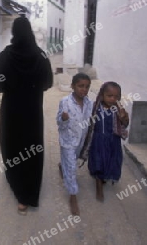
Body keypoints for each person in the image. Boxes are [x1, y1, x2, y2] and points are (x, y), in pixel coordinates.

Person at [0, 16, 53, 215]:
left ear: (14, 33)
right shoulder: (41, 56)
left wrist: (12, 85)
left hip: (12, 113)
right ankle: (30, 194)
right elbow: (47, 83)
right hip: (32, 113)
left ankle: (20, 193)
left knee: (13, 148)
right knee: (32, 150)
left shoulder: (5, 56)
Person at [80, 82, 129, 202]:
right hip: (98, 141)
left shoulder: (118, 109)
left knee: (111, 161)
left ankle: (103, 178)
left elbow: (125, 124)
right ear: (102, 95)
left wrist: (123, 118)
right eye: (109, 95)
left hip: (113, 141)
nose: (113, 99)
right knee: (98, 162)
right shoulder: (95, 107)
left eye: (116, 97)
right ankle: (98, 186)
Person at [56, 73, 92, 216]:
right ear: (73, 86)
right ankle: (73, 196)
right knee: (71, 168)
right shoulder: (65, 102)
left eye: (87, 87)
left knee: (73, 161)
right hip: (68, 141)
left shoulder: (89, 103)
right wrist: (63, 119)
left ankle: (61, 165)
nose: (83, 89)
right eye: (80, 86)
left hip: (81, 141)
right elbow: (59, 123)